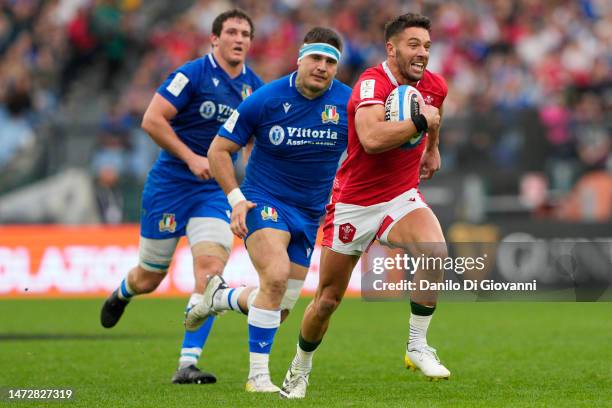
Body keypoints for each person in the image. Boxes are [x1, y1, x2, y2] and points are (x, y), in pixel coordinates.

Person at [280, 13, 449, 399]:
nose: (422, 53)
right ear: (391, 49)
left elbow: (434, 115)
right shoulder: (371, 82)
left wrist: (433, 149)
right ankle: (300, 367)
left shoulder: (435, 86)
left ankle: (417, 345)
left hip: (401, 196)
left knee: (435, 250)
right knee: (326, 301)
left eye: (426, 46)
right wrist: (423, 124)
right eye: (413, 45)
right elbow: (372, 139)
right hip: (354, 204)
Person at [99, 9, 264, 385]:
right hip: (171, 185)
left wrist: (248, 187)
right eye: (232, 32)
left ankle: (186, 364)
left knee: (209, 275)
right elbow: (152, 119)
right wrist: (190, 157)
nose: (239, 39)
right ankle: (123, 293)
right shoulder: (192, 74)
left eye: (245, 34)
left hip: (213, 190)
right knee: (149, 278)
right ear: (215, 39)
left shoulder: (254, 87)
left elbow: (254, 142)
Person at [187, 27, 351, 392]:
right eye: (316, 58)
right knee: (274, 277)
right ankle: (257, 377)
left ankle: (221, 297)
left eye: (330, 61)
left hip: (309, 215)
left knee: (279, 309)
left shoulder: (349, 104)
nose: (322, 67)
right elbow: (218, 151)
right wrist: (236, 200)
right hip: (266, 201)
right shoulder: (265, 99)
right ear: (301, 59)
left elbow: (368, 149)